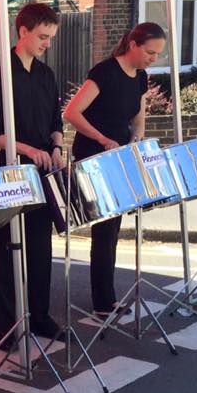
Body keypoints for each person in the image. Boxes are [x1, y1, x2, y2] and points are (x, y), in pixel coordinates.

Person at [63, 22, 166, 318]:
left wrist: (136, 140)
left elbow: (138, 118)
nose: (153, 59)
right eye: (150, 52)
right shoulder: (104, 72)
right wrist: (101, 138)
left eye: (157, 54)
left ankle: (106, 299)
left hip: (119, 155)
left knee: (112, 229)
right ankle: (103, 302)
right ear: (133, 45)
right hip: (94, 153)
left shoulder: (140, 77)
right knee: (104, 229)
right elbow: (71, 112)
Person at [0, 3, 64, 343]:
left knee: (40, 247)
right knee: (8, 249)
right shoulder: (0, 75)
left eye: (51, 37)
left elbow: (56, 120)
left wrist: (57, 146)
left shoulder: (46, 75)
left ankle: (39, 316)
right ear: (23, 32)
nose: (47, 43)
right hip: (12, 171)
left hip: (43, 170)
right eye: (42, 36)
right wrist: (28, 150)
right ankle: (7, 328)